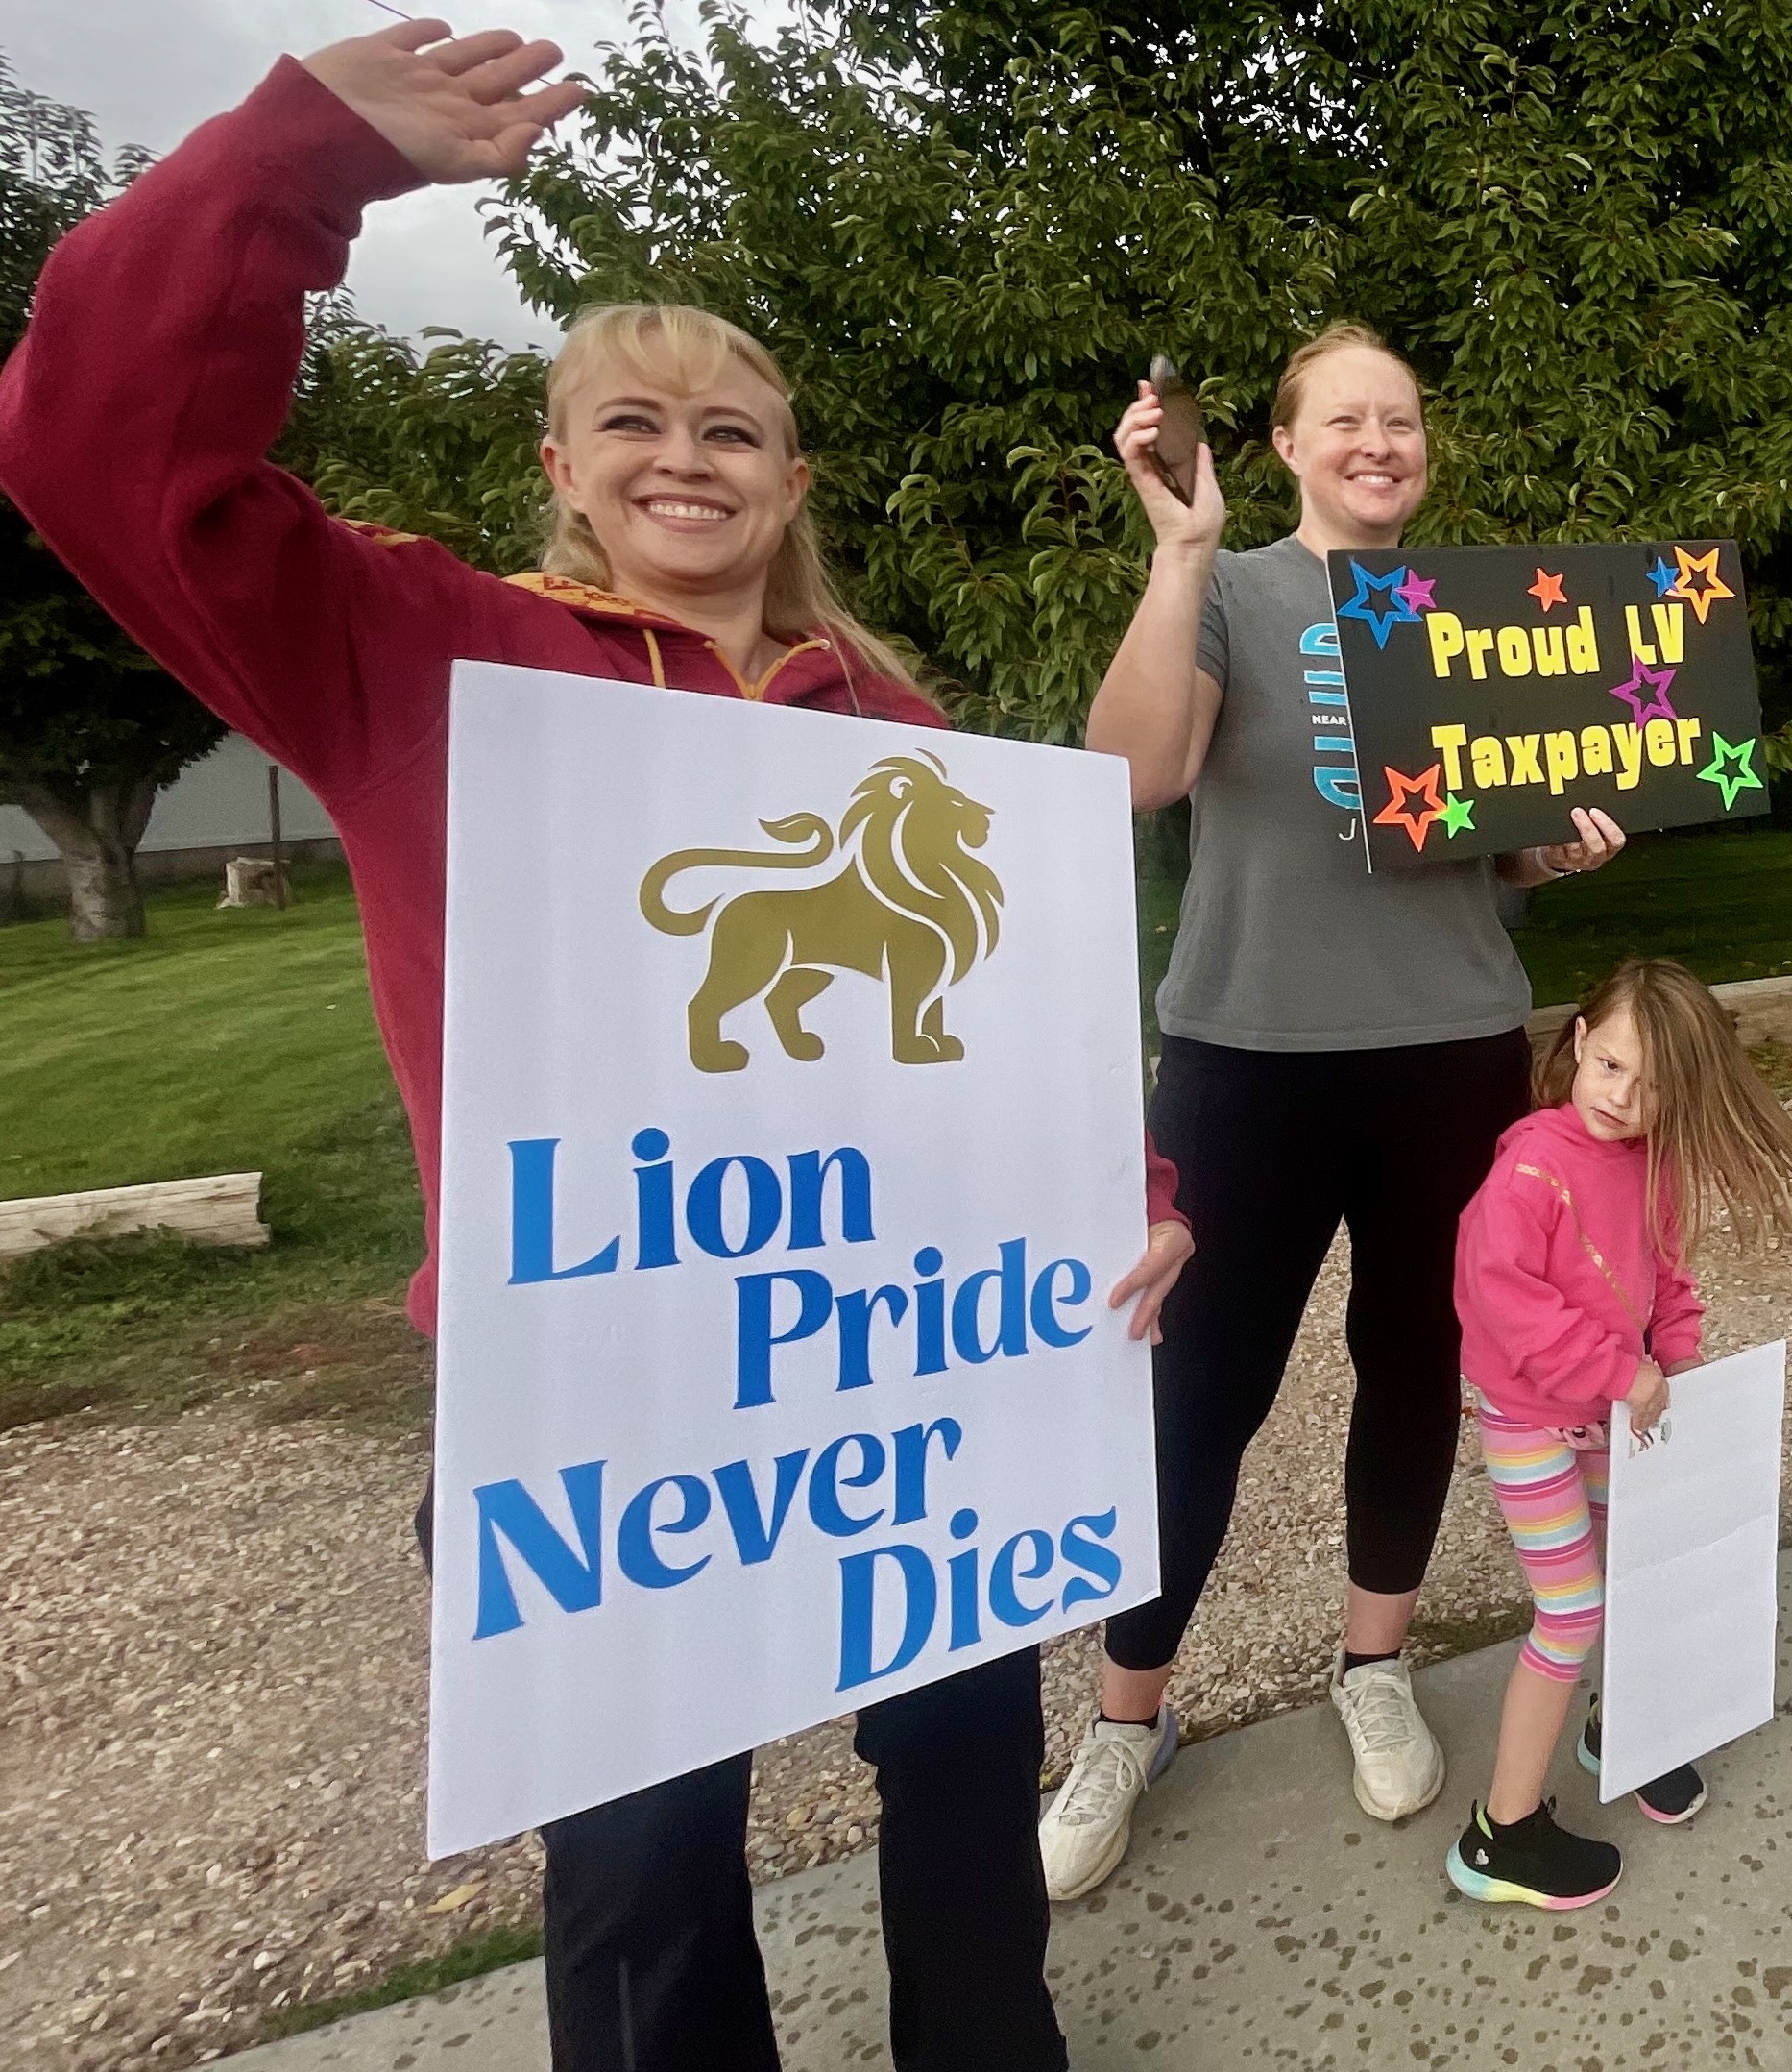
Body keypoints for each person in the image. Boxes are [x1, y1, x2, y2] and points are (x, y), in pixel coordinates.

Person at [0, 28, 1195, 2069]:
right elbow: (94, 451)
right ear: (560, 464)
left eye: (732, 430)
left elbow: (1016, 1026)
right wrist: (303, 166)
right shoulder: (422, 658)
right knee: (641, 1869)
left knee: (962, 1781)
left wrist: (1136, 1196)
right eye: (631, 420)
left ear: (788, 479)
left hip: (912, 1360)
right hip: (605, 1392)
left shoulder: (886, 730)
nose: (684, 458)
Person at [1054, 321, 1630, 1892]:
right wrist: (1181, 553)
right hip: (1247, 1051)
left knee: (1415, 1361)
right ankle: (1128, 1714)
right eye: (1347, 420)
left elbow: (1487, 842)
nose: (1380, 442)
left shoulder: (1465, 619)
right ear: (1292, 442)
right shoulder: (1230, 590)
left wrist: (1545, 849)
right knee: (1203, 1396)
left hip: (1451, 1042)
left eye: (1403, 420)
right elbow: (1127, 774)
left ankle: (1372, 1662)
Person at [1445, 959, 1792, 1905]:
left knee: (1640, 1579)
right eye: (1611, 1065)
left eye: (1652, 1085)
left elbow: (1668, 1282)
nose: (1623, 1096)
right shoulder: (1529, 1168)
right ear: (1579, 1043)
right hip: (1535, 1423)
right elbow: (1500, 1300)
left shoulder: (1655, 1168)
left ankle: (1625, 1731)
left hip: (1620, 1423)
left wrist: (1680, 1366)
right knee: (1571, 1610)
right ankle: (1503, 1832)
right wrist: (1621, 1372)